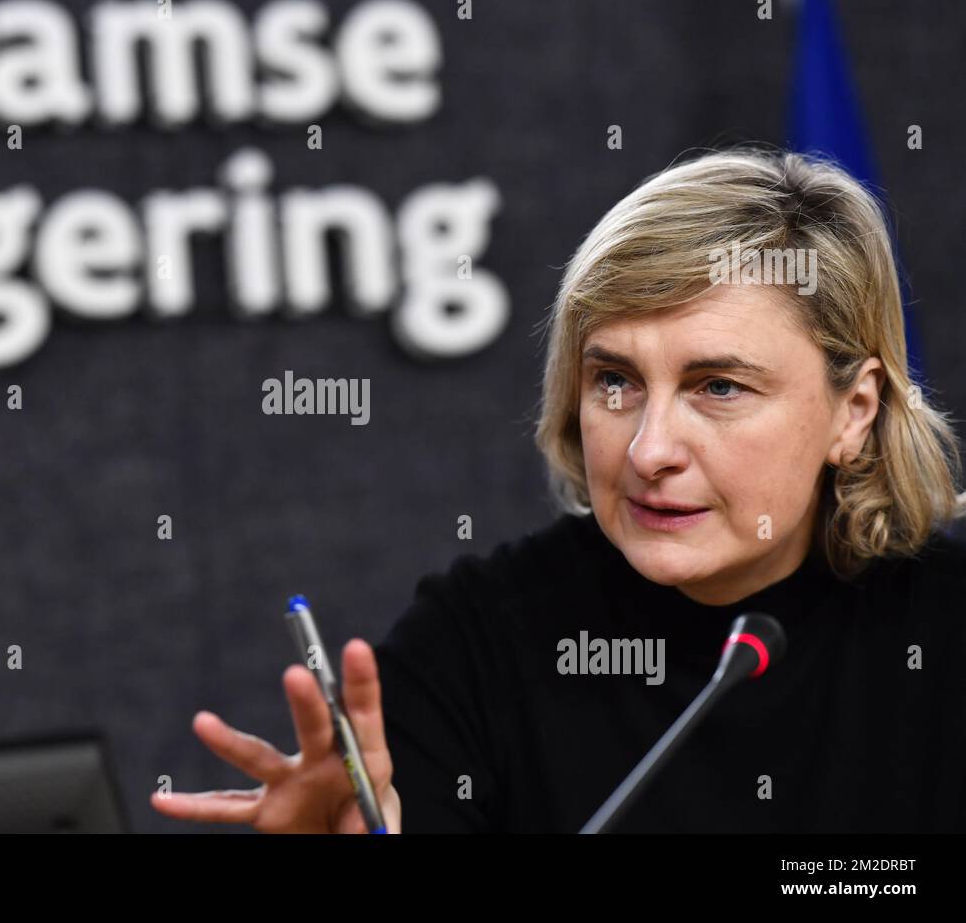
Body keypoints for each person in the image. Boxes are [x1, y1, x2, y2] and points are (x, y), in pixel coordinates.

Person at [149, 147, 966, 833]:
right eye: (614, 380)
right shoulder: (478, 640)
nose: (648, 451)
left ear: (853, 412)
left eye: (718, 387)